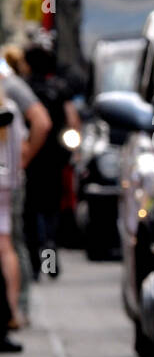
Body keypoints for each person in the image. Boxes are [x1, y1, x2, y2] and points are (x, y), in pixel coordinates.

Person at [1, 49, 50, 321]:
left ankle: (17, 308)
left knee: (13, 241)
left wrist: (24, 158)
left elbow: (42, 121)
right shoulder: (12, 88)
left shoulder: (12, 88)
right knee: (11, 241)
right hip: (9, 178)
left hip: (9, 179)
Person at [21, 44, 77, 280]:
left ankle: (35, 263)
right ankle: (49, 260)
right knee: (51, 211)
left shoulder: (25, 89)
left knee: (31, 212)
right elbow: (72, 121)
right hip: (54, 159)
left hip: (30, 158)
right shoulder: (58, 88)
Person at [0, 87, 29, 352]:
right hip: (7, 185)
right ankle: (11, 313)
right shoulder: (10, 109)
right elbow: (21, 149)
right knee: (6, 246)